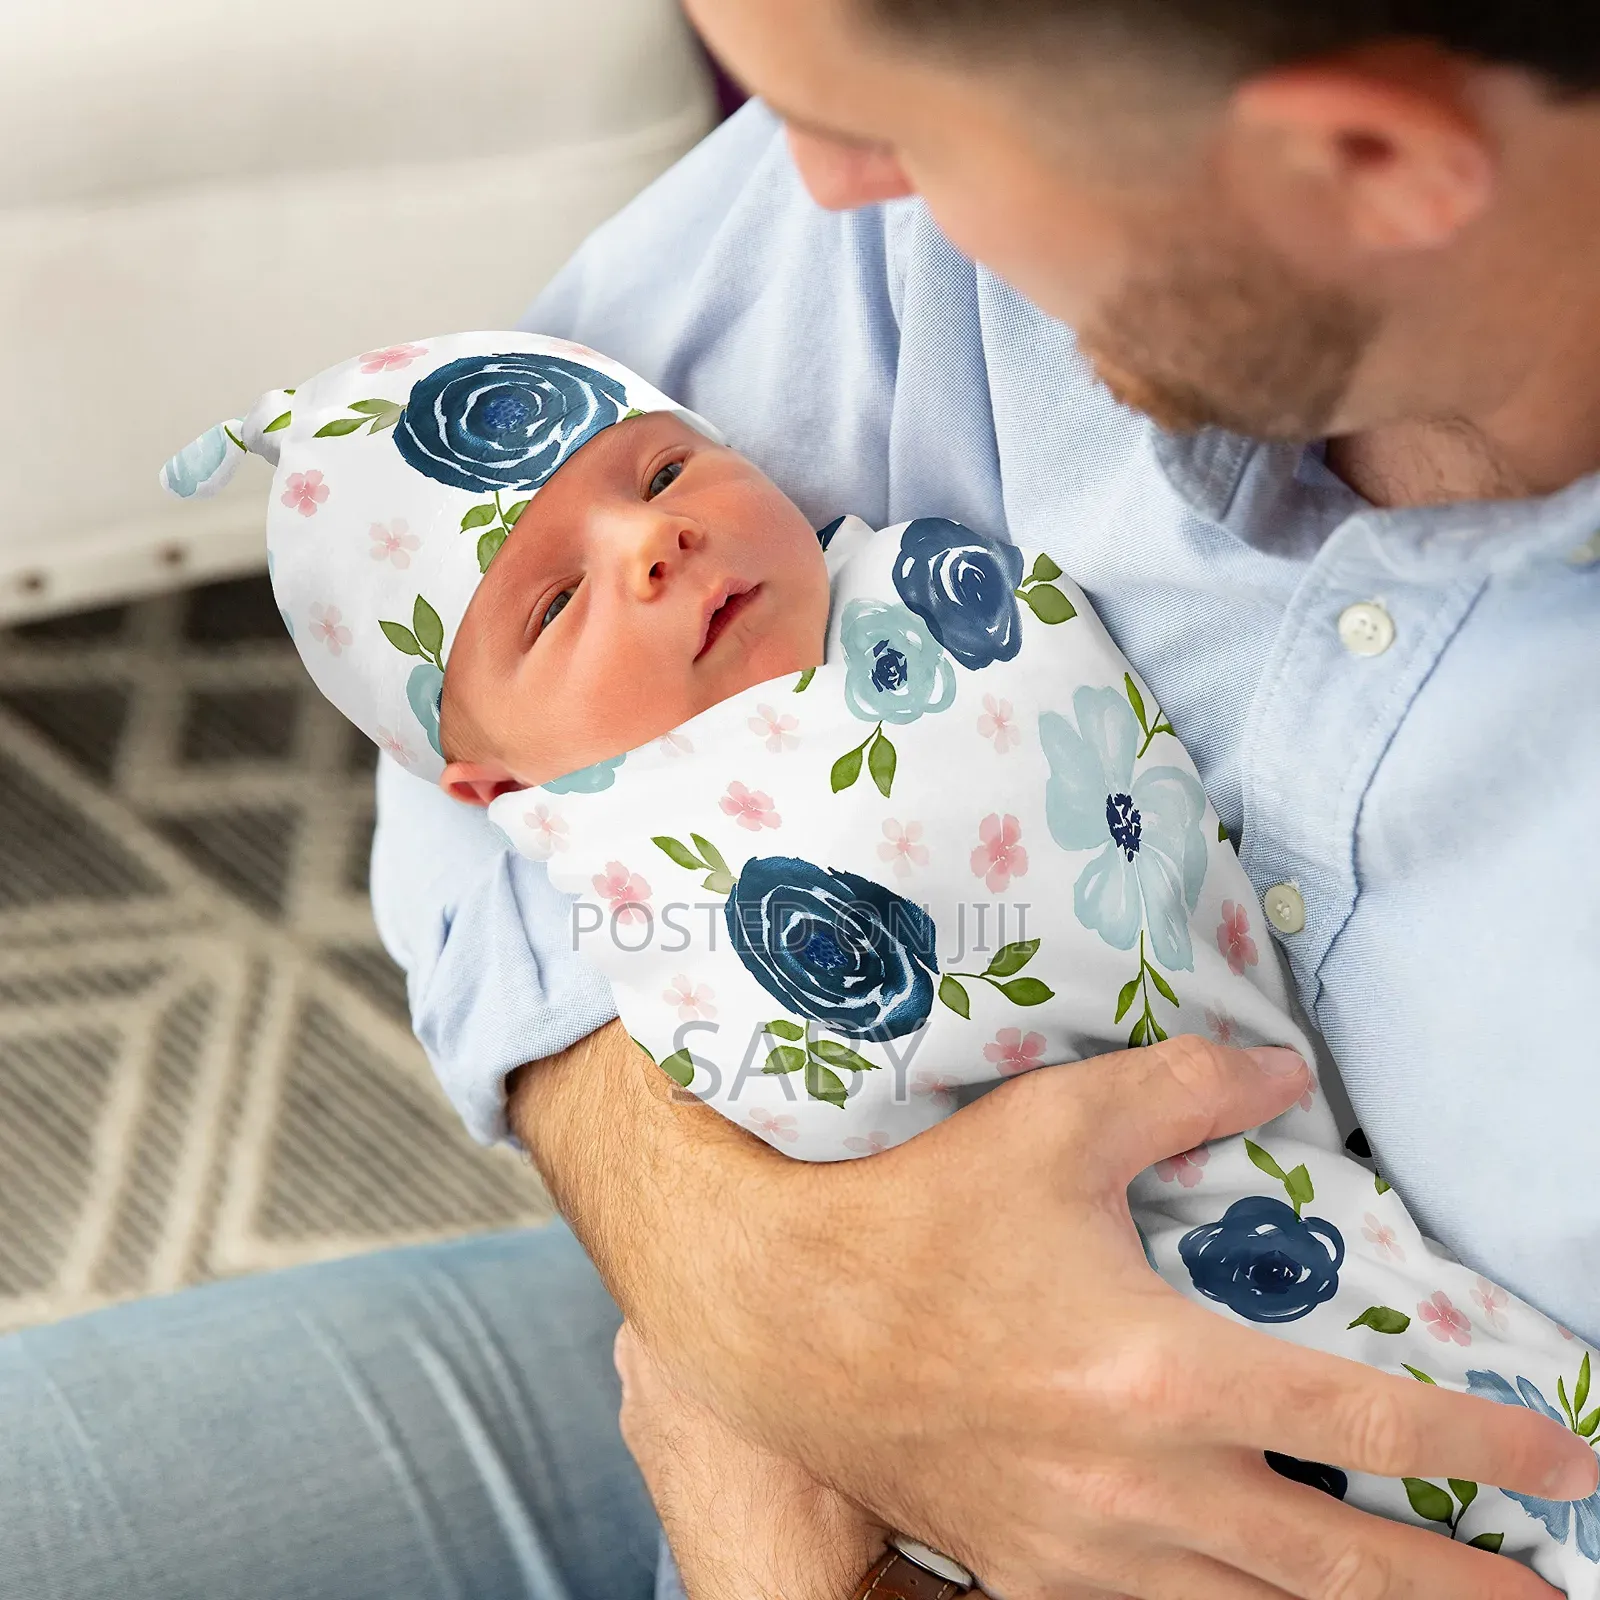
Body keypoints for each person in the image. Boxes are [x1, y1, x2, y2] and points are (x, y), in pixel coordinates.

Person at [3, 4, 1598, 1598]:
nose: (816, 183)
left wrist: (768, 1557)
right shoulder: (978, 123)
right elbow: (444, 697)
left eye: (901, 133)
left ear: (1366, 169)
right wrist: (756, 1288)